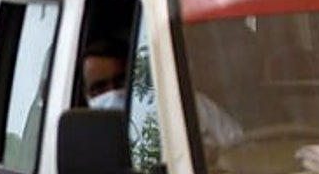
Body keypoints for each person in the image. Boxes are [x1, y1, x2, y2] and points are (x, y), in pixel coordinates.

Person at [81, 41, 242, 148]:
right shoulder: (84, 139)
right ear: (86, 95)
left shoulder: (190, 105)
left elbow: (238, 146)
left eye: (120, 82)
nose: (113, 93)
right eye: (99, 88)